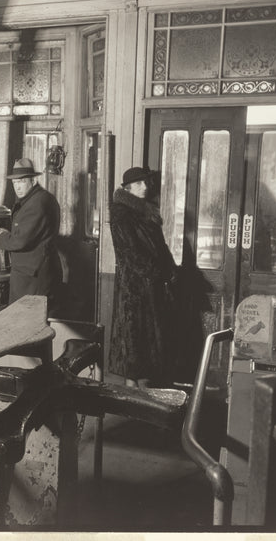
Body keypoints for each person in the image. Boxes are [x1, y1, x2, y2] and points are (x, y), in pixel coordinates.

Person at [108, 166, 179, 389]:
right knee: (134, 339)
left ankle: (143, 389)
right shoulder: (121, 213)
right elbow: (129, 252)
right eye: (139, 183)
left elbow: (160, 247)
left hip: (151, 285)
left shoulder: (146, 211)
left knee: (146, 341)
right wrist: (155, 272)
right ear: (128, 188)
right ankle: (133, 390)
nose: (145, 187)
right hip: (134, 287)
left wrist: (169, 270)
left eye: (146, 182)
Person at [0, 158, 62, 314]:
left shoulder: (37, 203)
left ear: (33, 180)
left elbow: (20, 241)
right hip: (34, 271)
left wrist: (2, 236)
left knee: (26, 318)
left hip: (33, 275)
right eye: (15, 182)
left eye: (22, 182)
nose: (17, 187)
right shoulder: (39, 198)